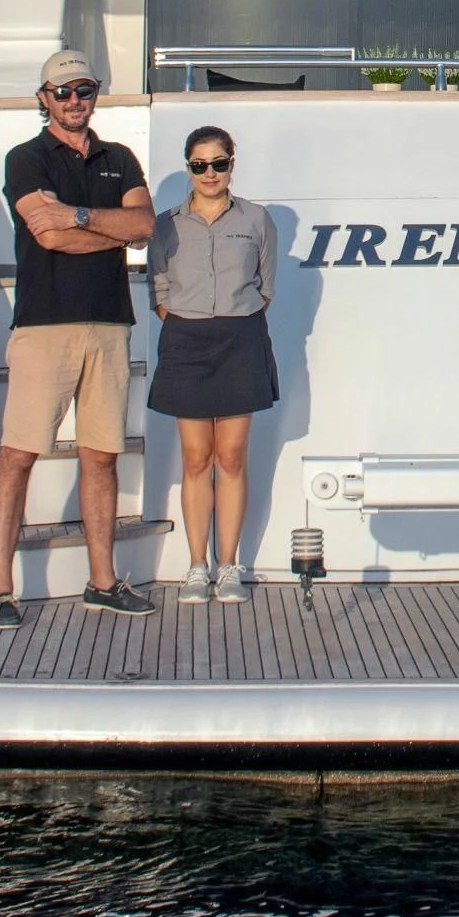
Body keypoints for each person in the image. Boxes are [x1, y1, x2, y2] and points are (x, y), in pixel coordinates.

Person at [0, 49, 157, 629]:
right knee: (17, 455)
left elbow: (143, 227)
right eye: (62, 92)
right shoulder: (25, 158)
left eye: (84, 90)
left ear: (95, 94)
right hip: (44, 324)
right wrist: (105, 226)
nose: (74, 100)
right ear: (44, 99)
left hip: (109, 322)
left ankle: (102, 583)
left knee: (101, 457)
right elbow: (46, 235)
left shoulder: (120, 157)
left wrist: (78, 218)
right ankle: (1, 589)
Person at [147, 125, 280, 607]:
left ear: (232, 164)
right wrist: (181, 319)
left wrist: (231, 320)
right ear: (189, 167)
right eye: (200, 165)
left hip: (239, 338)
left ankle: (230, 567)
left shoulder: (258, 219)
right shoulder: (165, 224)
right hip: (186, 340)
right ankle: (196, 566)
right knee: (196, 459)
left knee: (232, 457)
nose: (210, 173)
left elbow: (265, 286)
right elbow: (157, 288)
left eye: (218, 163)